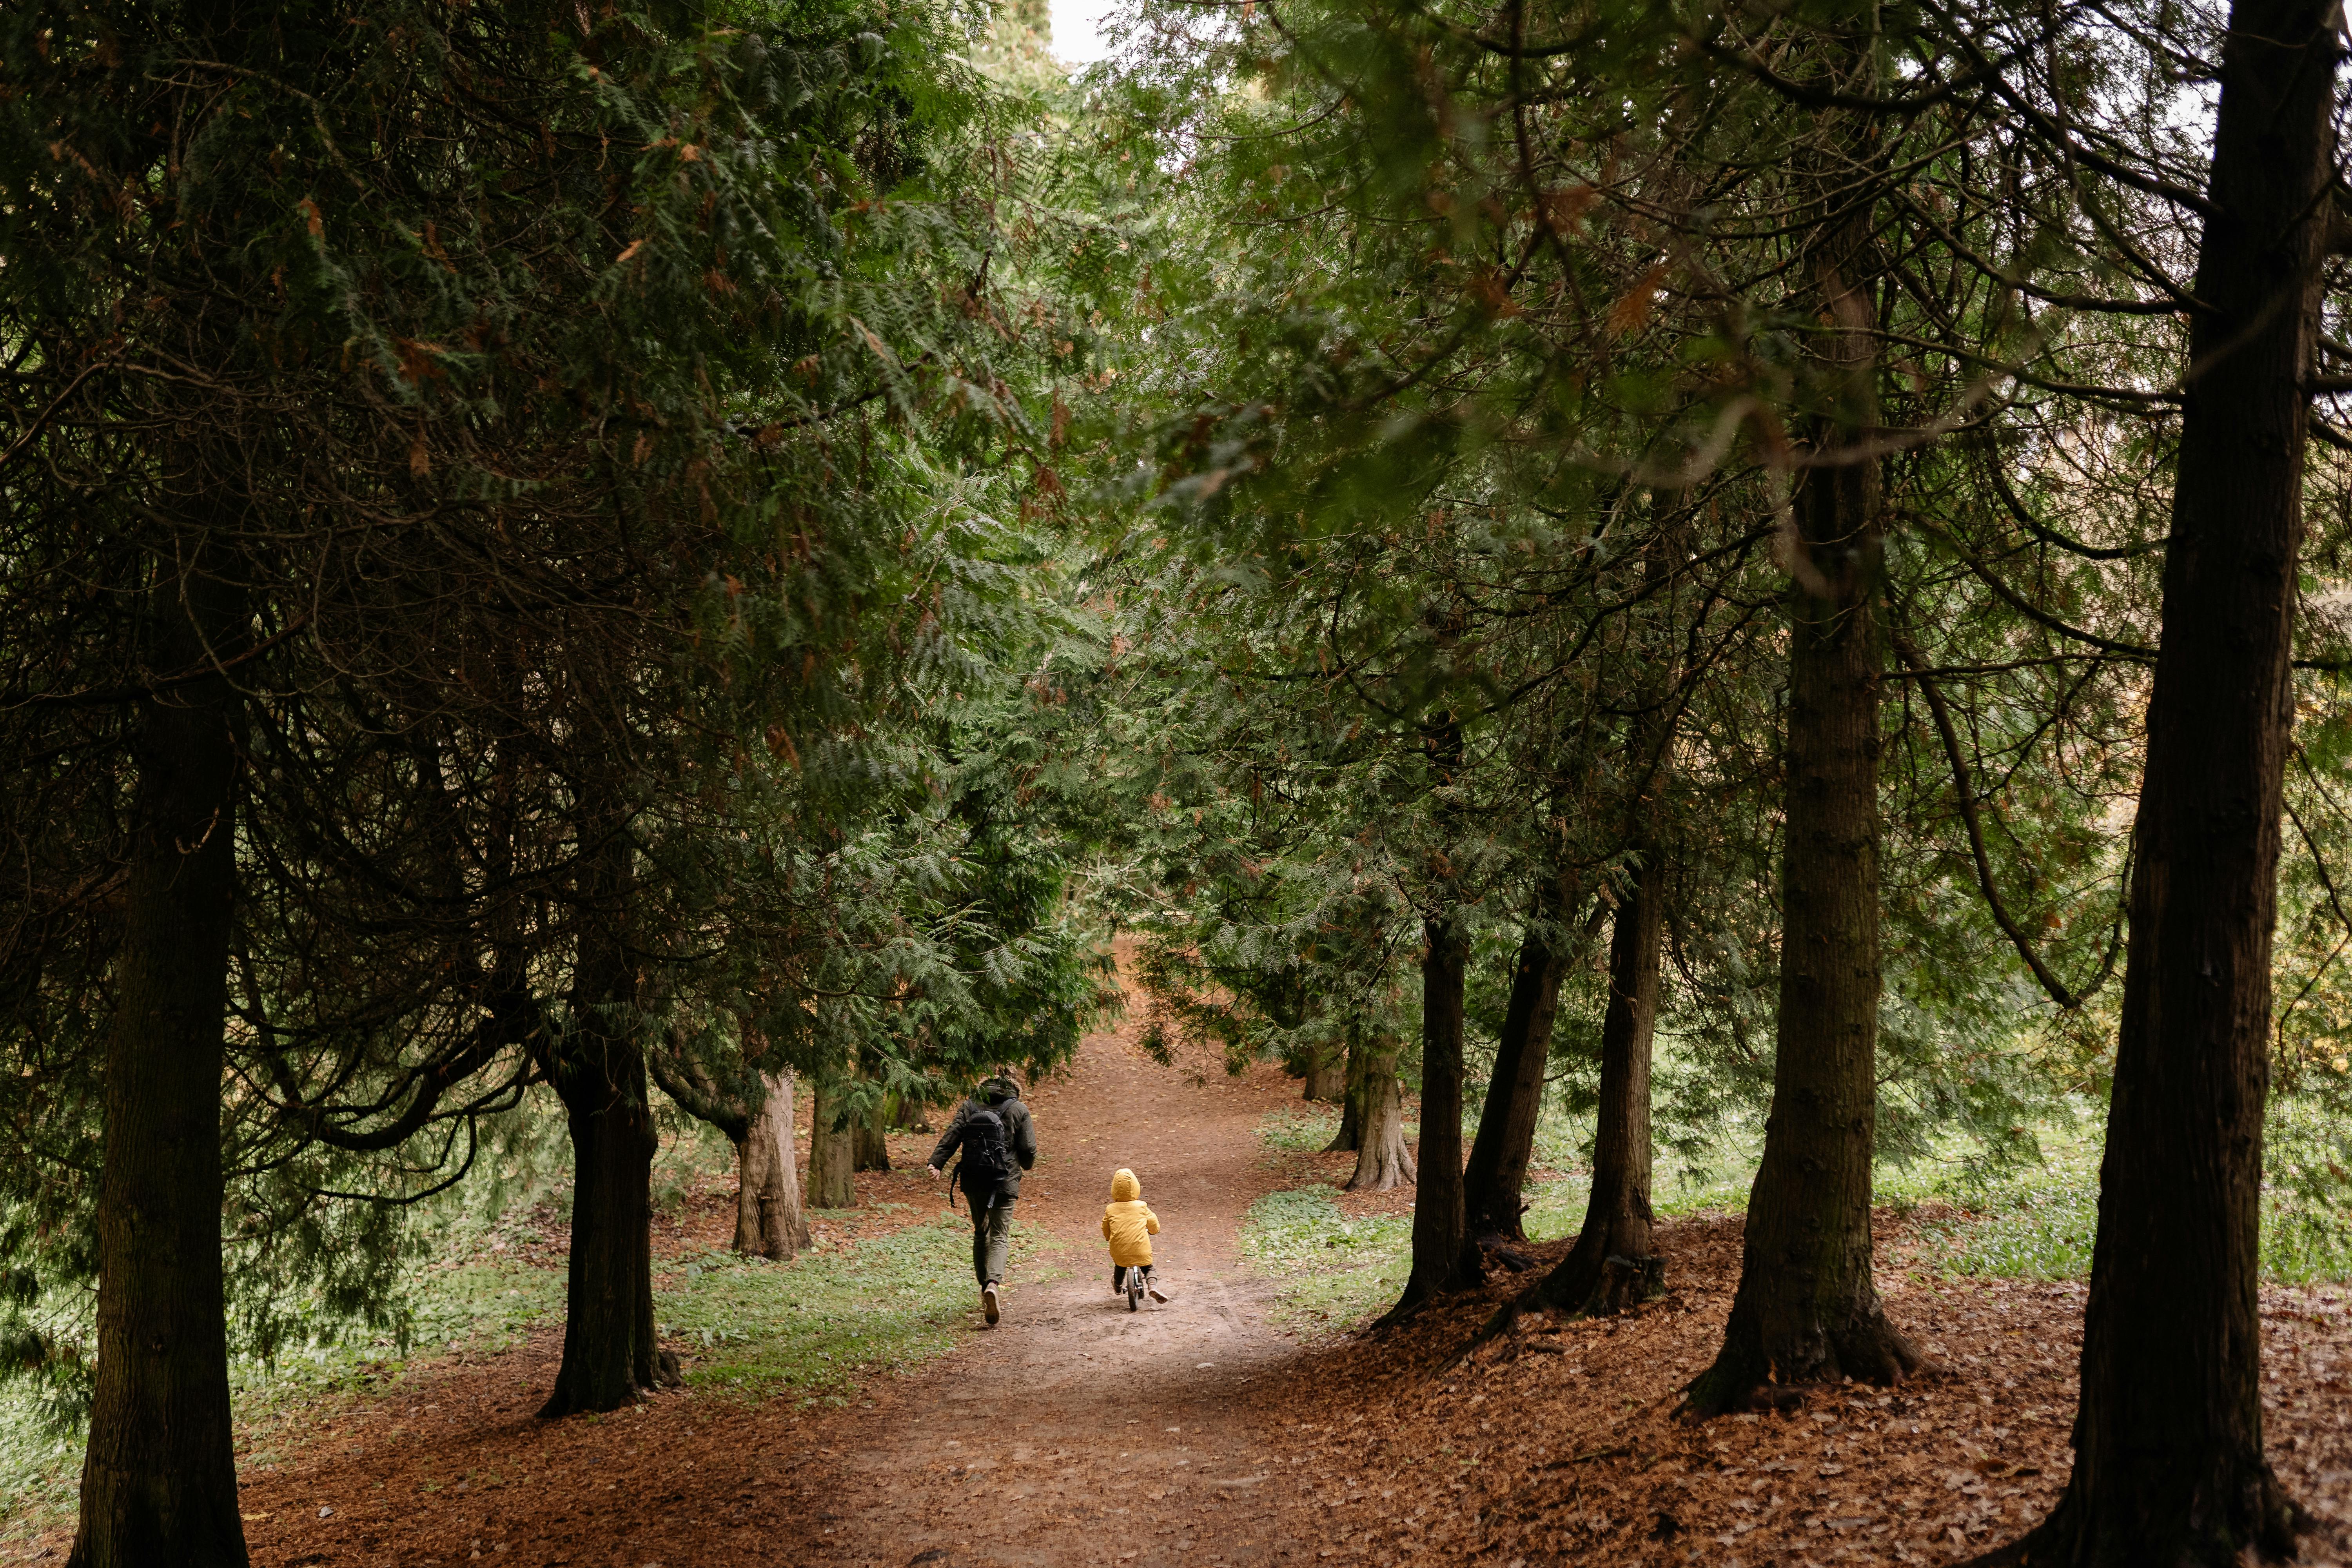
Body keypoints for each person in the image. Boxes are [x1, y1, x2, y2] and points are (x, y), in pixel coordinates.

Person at [926, 1070, 1036, 1325]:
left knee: (980, 1231)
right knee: (999, 1234)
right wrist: (1024, 1163)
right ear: (1014, 1086)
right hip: (1004, 1180)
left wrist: (937, 1163)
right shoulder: (1019, 1109)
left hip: (974, 1180)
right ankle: (993, 1285)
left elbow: (952, 1135)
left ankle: (983, 1286)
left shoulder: (970, 1105)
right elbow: (1029, 1151)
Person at [1102, 1167, 1169, 1305]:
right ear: (1136, 1187)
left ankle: (1118, 1286)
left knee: (1120, 1266)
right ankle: (1153, 1286)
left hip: (1119, 1249)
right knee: (1148, 1267)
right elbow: (1153, 1222)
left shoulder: (1111, 1209)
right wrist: (1154, 1231)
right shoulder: (1142, 1206)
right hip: (1140, 1248)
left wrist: (1108, 1237)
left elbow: (1106, 1226)